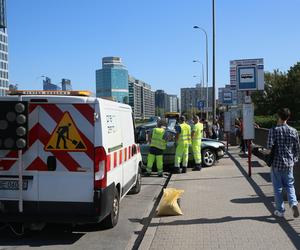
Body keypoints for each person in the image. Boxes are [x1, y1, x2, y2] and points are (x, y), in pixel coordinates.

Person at [267, 108, 300, 218]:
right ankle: (293, 203)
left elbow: (269, 147)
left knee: (278, 188)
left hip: (276, 163)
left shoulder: (274, 130)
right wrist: (293, 160)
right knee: (290, 186)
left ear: (278, 116)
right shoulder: (293, 131)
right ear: (288, 117)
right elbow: (297, 149)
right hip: (289, 164)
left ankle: (280, 211)